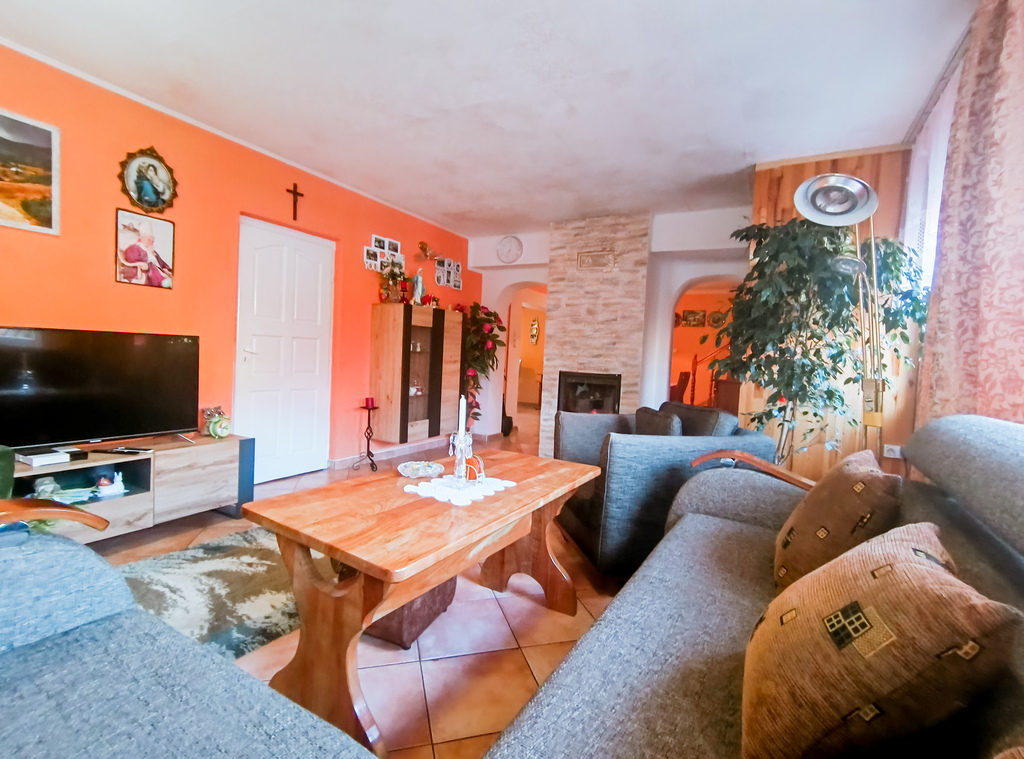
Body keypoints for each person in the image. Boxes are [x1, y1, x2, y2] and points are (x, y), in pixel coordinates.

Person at [121, 220, 172, 288]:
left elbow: (160, 262)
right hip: (144, 271)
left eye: (152, 240)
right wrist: (148, 256)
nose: (151, 241)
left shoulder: (152, 251)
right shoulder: (134, 248)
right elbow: (131, 258)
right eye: (149, 239)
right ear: (142, 238)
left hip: (161, 273)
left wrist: (165, 268)